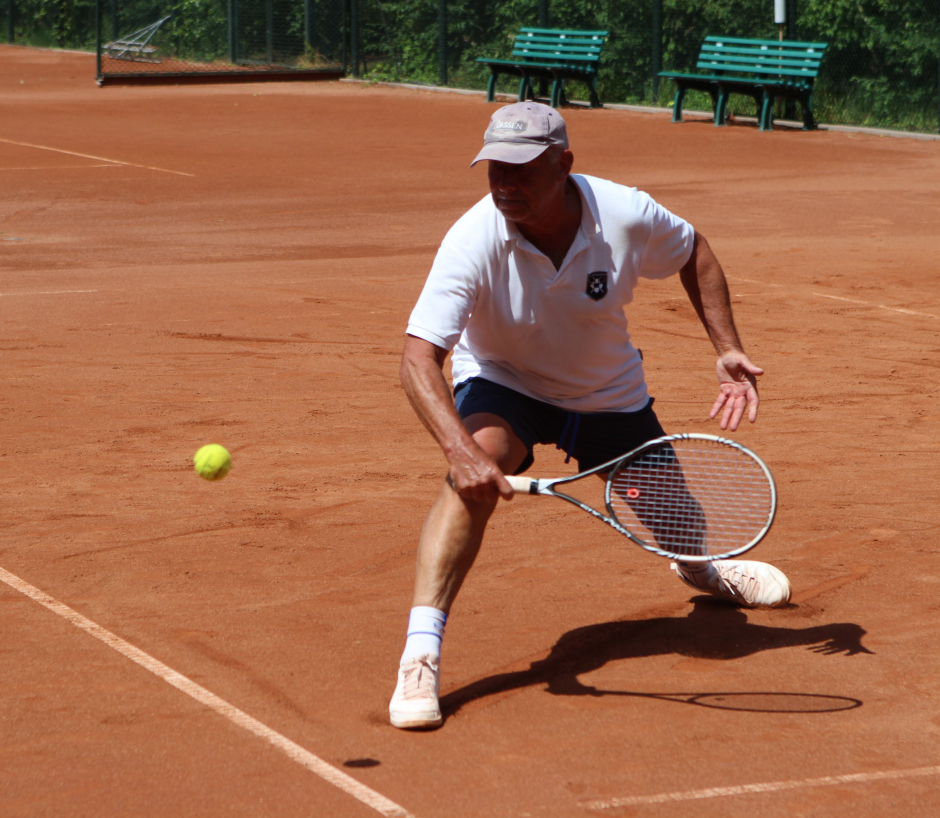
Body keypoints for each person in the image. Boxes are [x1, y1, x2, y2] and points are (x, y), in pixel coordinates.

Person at [389, 102, 790, 730]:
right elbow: (419, 358)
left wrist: (727, 347)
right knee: (476, 470)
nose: (504, 183)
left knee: (679, 524)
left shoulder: (623, 213)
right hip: (505, 381)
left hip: (605, 394)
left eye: (522, 169)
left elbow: (695, 252)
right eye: (495, 167)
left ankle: (700, 567)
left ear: (564, 165)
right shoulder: (473, 237)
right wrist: (459, 453)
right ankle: (421, 652)